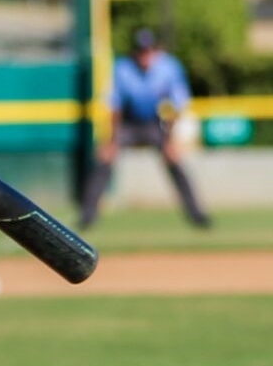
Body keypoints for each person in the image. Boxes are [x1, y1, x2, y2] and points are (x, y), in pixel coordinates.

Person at [78, 27, 211, 230]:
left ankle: (197, 215)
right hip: (127, 123)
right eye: (141, 51)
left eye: (148, 51)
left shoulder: (169, 67)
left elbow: (178, 105)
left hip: (154, 122)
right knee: (104, 157)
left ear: (156, 51)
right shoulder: (123, 68)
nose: (144, 56)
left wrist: (169, 139)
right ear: (135, 52)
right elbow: (115, 106)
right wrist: (112, 141)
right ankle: (87, 216)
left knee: (174, 159)